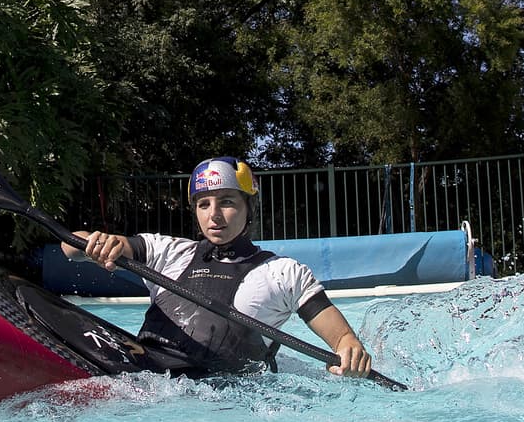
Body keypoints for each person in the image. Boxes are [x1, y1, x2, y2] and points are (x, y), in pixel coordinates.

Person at [62, 156, 372, 379]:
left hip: (223, 403)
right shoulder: (167, 252)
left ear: (249, 208)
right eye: (203, 204)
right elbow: (70, 247)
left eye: (227, 202)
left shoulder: (284, 273)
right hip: (146, 380)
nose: (214, 215)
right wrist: (95, 243)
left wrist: (350, 351)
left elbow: (343, 340)